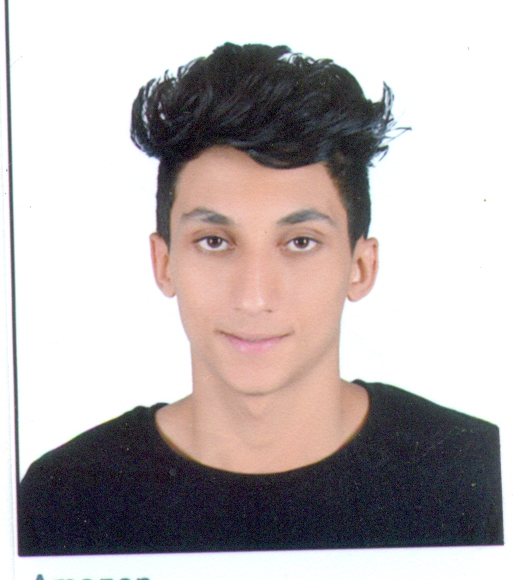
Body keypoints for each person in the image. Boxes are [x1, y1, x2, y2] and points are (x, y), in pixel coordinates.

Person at [18, 43, 503, 556]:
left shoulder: (480, 474)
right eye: (214, 241)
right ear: (163, 263)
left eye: (300, 243)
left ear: (360, 268)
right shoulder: (65, 496)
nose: (253, 298)